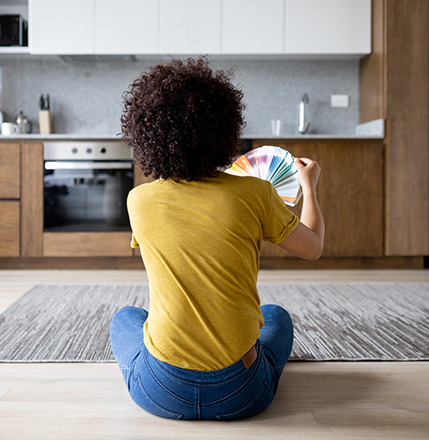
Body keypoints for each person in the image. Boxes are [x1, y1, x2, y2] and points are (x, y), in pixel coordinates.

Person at [109, 57, 324, 420]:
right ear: (225, 129)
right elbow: (313, 248)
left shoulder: (139, 200)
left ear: (146, 135)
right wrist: (310, 187)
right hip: (241, 395)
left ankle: (146, 373)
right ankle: (262, 373)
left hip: (161, 392)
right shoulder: (255, 193)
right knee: (276, 317)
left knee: (126, 318)